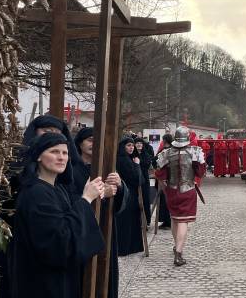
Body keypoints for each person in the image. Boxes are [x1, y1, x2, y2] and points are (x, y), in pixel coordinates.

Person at [8, 132, 105, 298]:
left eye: (65, 153)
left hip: (59, 279)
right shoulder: (36, 193)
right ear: (38, 156)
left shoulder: (56, 188)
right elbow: (58, 242)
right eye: (54, 152)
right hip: (42, 283)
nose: (61, 157)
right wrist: (86, 199)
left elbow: (67, 221)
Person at [74, 127, 127, 298]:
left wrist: (120, 186)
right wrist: (102, 194)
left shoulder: (107, 167)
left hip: (105, 228)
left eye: (98, 140)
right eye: (90, 140)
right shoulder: (72, 169)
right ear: (80, 144)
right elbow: (73, 199)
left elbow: (121, 201)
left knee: (105, 276)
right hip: (83, 231)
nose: (94, 144)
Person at [154, 126, 206, 266]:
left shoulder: (167, 152)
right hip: (187, 189)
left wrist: (164, 185)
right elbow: (200, 173)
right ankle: (178, 253)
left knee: (174, 219)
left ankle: (177, 245)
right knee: (183, 221)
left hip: (171, 190)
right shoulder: (194, 152)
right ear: (188, 138)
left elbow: (159, 173)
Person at [115, 136, 145, 256]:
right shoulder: (123, 160)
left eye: (132, 145)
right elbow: (138, 179)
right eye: (128, 145)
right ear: (123, 147)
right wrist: (137, 165)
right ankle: (124, 248)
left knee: (131, 221)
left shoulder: (128, 158)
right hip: (127, 194)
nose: (131, 147)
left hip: (130, 193)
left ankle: (131, 247)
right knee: (125, 222)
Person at [153, 134, 173, 230]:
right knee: (164, 200)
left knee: (166, 200)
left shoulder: (168, 151)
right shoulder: (169, 150)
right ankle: (166, 220)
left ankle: (168, 221)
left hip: (166, 178)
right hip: (165, 178)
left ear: (165, 140)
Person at [133, 137, 153, 226]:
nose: (139, 144)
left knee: (145, 199)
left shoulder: (146, 154)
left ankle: (146, 220)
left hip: (144, 180)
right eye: (137, 143)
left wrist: (139, 162)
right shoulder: (132, 155)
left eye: (140, 143)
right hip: (134, 180)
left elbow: (147, 164)